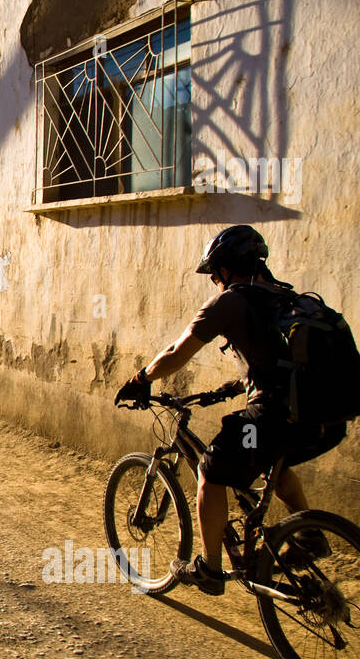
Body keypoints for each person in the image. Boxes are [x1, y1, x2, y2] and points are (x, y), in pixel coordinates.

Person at [115, 225, 344, 595]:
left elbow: (177, 352)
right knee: (273, 459)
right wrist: (235, 387)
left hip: (276, 415)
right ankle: (310, 536)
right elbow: (281, 362)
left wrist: (143, 378)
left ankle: (208, 568)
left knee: (211, 470)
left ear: (223, 269)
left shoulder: (230, 301)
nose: (213, 281)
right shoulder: (282, 297)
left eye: (214, 274)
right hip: (325, 418)